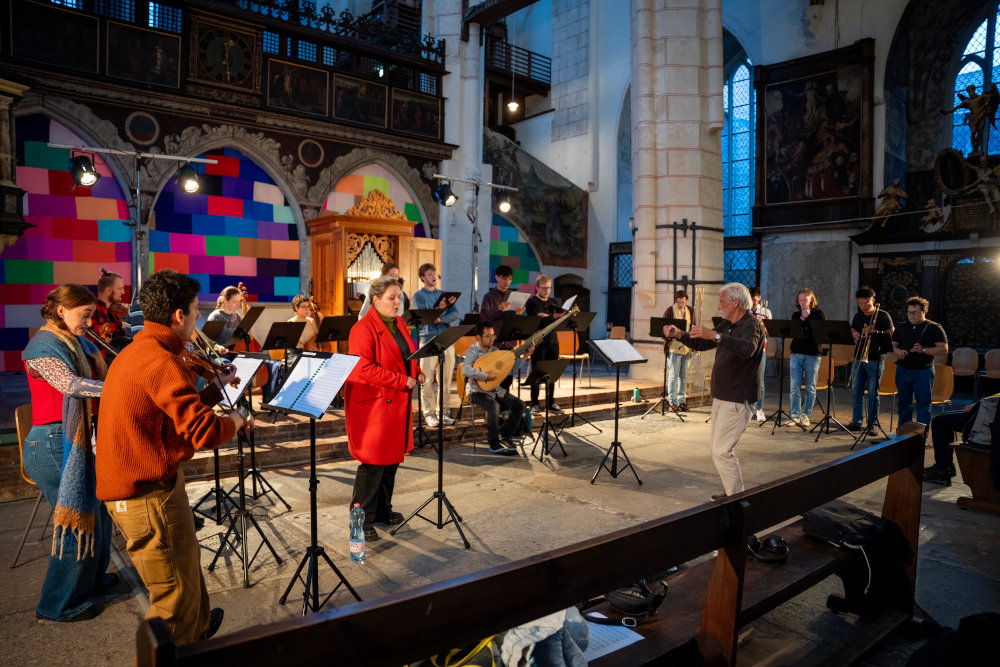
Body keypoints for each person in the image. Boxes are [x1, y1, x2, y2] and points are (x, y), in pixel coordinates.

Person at [96, 269, 247, 645]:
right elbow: (203, 431)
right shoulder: (160, 360)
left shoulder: (145, 349)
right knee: (173, 601)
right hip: (145, 493)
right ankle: (181, 641)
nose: (198, 319)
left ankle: (195, 634)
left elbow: (171, 412)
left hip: (152, 483)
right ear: (179, 316)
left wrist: (214, 388)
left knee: (186, 572)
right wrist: (237, 419)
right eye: (196, 311)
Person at [22, 284, 114, 622]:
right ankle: (59, 605)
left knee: (99, 516)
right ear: (61, 311)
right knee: (77, 522)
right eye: (85, 315)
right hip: (50, 444)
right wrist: (123, 388)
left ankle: (92, 583)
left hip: (69, 438)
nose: (90, 322)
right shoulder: (41, 346)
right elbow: (71, 385)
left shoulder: (78, 342)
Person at [663, 283, 765, 498]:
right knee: (718, 450)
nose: (719, 306)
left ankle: (736, 499)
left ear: (736, 302)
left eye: (722, 302)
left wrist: (716, 336)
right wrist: (679, 333)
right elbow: (701, 344)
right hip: (722, 396)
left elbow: (748, 349)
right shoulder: (727, 324)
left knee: (722, 451)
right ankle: (732, 493)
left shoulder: (752, 325)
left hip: (738, 398)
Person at [345, 276, 424, 541]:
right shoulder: (362, 328)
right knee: (371, 466)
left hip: (395, 402)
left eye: (399, 297)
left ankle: (381, 511)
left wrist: (417, 371)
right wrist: (403, 380)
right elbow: (363, 368)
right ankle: (359, 522)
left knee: (391, 461)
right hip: (374, 406)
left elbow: (405, 356)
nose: (397, 302)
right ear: (376, 300)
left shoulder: (400, 323)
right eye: (391, 297)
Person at [462, 322, 533, 455]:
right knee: (494, 406)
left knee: (519, 405)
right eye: (488, 336)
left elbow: (511, 369)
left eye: (493, 336)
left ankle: (505, 435)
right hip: (476, 391)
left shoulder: (495, 351)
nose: (492, 339)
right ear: (478, 337)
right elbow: (466, 370)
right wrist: (485, 376)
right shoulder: (472, 351)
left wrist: (526, 356)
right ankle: (493, 443)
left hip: (495, 390)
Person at [208, 285, 282, 401]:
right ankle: (242, 404)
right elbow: (208, 341)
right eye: (234, 302)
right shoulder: (216, 315)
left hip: (234, 353)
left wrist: (248, 317)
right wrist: (219, 347)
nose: (237, 305)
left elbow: (242, 337)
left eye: (239, 302)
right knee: (231, 368)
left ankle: (268, 400)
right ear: (225, 301)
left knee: (270, 364)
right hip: (219, 355)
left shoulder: (236, 316)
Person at [412, 263, 461, 427]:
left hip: (445, 339)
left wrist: (441, 318)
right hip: (428, 339)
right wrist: (439, 310)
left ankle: (443, 412)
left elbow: (455, 313)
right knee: (426, 379)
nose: (433, 276)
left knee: (446, 380)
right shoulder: (419, 295)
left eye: (434, 273)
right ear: (423, 277)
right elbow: (424, 316)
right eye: (429, 274)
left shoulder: (444, 295)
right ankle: (429, 414)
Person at [892, 296, 948, 426]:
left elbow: (944, 350)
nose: (911, 316)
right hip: (903, 369)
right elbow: (893, 345)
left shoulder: (934, 327)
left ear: (924, 311)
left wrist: (924, 350)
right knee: (904, 403)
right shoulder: (902, 326)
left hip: (923, 371)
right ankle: (903, 434)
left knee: (923, 404)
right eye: (909, 312)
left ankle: (920, 436)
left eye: (915, 312)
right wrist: (898, 351)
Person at [846, 287, 894, 432]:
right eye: (860, 303)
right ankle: (856, 422)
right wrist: (854, 332)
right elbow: (852, 329)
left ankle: (872, 423)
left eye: (866, 303)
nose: (863, 307)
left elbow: (891, 334)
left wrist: (874, 332)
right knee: (857, 392)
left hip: (876, 359)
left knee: (873, 394)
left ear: (873, 300)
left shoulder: (883, 315)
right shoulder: (858, 316)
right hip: (859, 357)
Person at [480, 265, 525, 392]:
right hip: (495, 343)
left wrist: (519, 314)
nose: (506, 282)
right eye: (504, 278)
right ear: (496, 277)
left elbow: (516, 321)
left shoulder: (513, 295)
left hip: (509, 341)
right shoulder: (489, 297)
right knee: (494, 379)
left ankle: (505, 410)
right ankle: (495, 409)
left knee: (507, 378)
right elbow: (483, 318)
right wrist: (498, 309)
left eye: (509, 279)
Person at [525, 274, 564, 414]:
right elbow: (536, 322)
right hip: (538, 342)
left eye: (548, 288)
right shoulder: (532, 302)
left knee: (551, 372)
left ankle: (550, 402)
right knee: (537, 372)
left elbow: (556, 321)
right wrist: (551, 317)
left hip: (553, 341)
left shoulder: (554, 302)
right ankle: (534, 403)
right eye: (543, 288)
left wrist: (547, 317)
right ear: (537, 288)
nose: (546, 291)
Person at [787, 288, 825, 427]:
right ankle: (795, 415)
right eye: (800, 300)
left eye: (805, 299)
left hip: (813, 354)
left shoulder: (819, 314)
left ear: (811, 300)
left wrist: (807, 320)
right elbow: (797, 333)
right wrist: (803, 319)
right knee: (794, 386)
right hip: (796, 353)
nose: (802, 302)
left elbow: (815, 334)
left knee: (810, 387)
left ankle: (806, 415)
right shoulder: (796, 316)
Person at [661, 289, 694, 414]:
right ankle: (672, 402)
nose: (681, 305)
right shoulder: (670, 311)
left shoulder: (690, 311)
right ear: (676, 300)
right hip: (674, 347)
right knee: (673, 376)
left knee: (683, 376)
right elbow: (663, 330)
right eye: (679, 302)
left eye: (683, 302)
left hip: (686, 347)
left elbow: (692, 327)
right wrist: (669, 335)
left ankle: (681, 401)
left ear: (686, 301)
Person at [749, 287, 772, 421]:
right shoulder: (745, 311)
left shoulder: (765, 312)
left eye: (755, 301)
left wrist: (760, 326)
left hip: (760, 349)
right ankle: (747, 408)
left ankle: (759, 409)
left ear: (759, 299)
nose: (753, 303)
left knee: (760, 381)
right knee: (746, 379)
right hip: (746, 348)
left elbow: (768, 329)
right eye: (751, 300)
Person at [90, 268, 126, 342]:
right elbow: (94, 329)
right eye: (120, 289)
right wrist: (120, 324)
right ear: (108, 290)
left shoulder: (113, 312)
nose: (123, 292)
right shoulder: (92, 308)